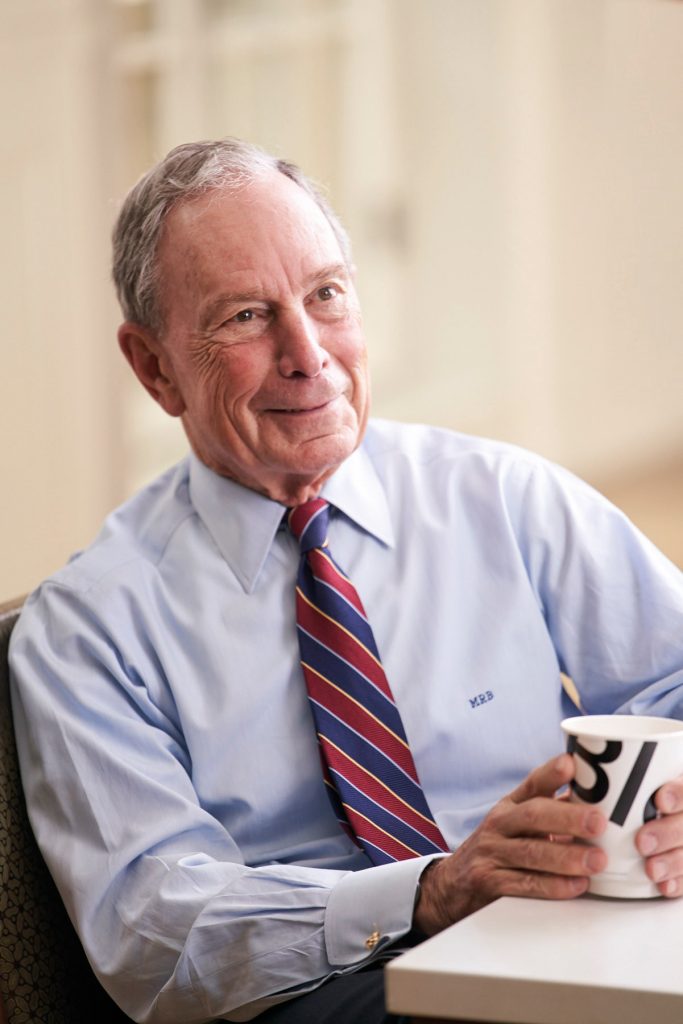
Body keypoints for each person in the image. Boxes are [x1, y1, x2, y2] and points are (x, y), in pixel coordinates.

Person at [9, 138, 683, 1024]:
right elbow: (154, 930)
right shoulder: (88, 629)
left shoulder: (500, 498)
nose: (307, 353)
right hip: (322, 990)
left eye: (325, 295)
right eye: (246, 317)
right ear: (154, 367)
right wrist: (430, 892)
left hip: (563, 924)